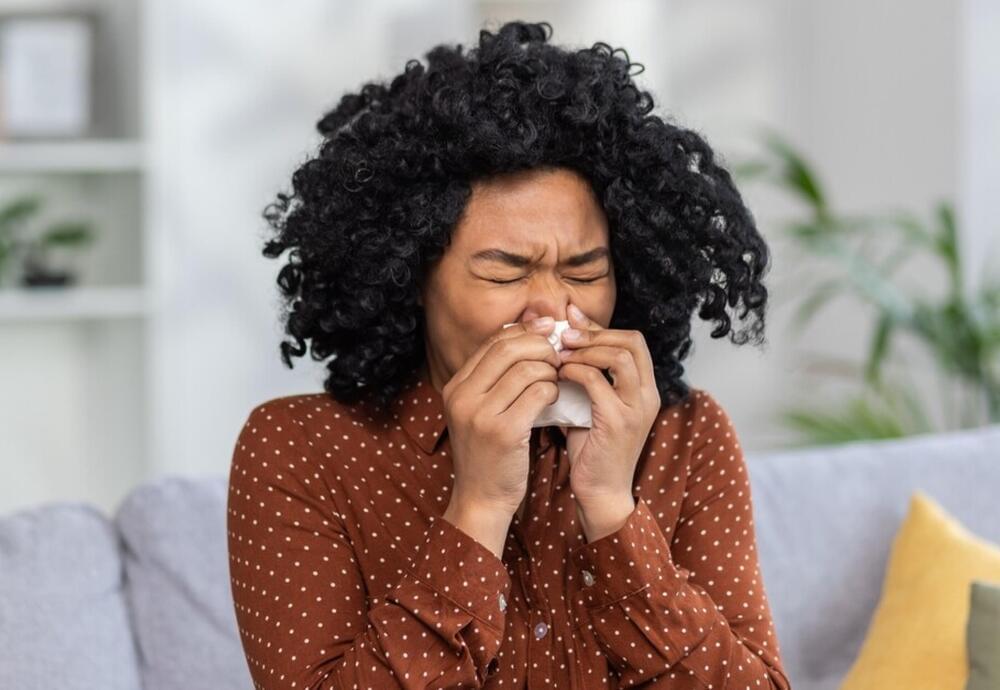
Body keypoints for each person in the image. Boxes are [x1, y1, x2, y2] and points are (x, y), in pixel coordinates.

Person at [227, 19, 789, 689]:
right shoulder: (298, 449)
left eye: (584, 270)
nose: (551, 308)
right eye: (504, 273)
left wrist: (612, 508)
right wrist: (479, 508)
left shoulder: (686, 437)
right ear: (411, 278)